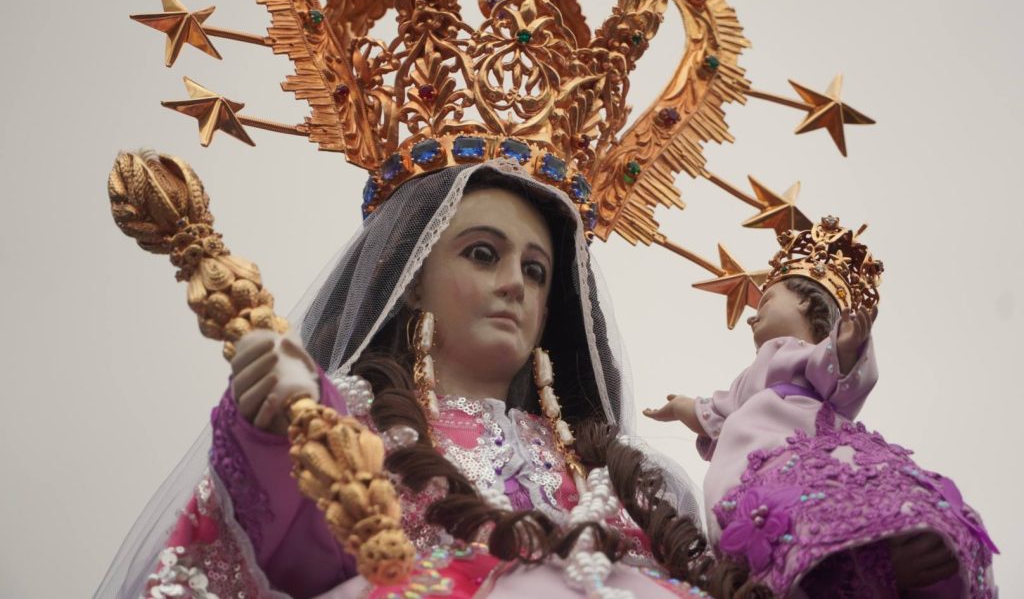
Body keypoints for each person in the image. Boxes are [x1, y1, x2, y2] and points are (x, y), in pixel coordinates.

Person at [98, 160, 745, 599]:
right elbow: (293, 558)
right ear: (410, 284)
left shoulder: (622, 477)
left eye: (537, 270)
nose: (514, 283)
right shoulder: (354, 422)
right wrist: (275, 433)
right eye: (483, 254)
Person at [645, 220, 998, 598]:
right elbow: (717, 410)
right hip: (743, 456)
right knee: (755, 514)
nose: (752, 314)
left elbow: (843, 379)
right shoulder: (748, 381)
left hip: (798, 442)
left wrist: (845, 350)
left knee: (815, 498)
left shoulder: (807, 358)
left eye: (765, 301)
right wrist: (682, 407)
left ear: (806, 302)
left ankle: (877, 551)